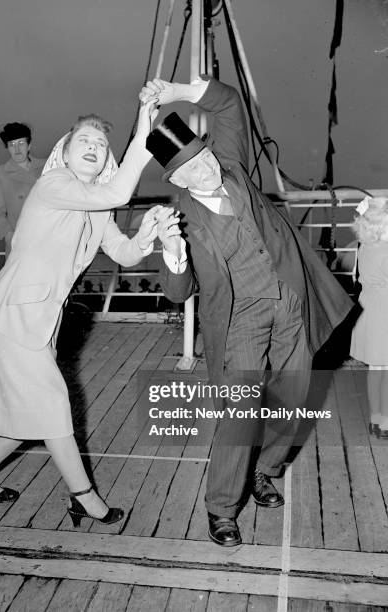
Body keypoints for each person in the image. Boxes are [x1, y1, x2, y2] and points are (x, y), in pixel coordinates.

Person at [141, 76, 353, 546]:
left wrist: (174, 91)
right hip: (240, 322)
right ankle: (221, 508)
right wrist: (173, 255)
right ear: (177, 181)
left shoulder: (232, 166)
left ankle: (264, 471)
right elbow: (179, 293)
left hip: (288, 301)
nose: (205, 168)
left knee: (295, 395)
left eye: (204, 155)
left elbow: (230, 104)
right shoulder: (182, 221)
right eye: (191, 169)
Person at [0, 98, 160, 528]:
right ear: (65, 152)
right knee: (52, 403)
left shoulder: (95, 203)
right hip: (15, 313)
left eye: (100, 143)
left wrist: (146, 234)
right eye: (84, 140)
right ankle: (83, 497)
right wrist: (145, 126)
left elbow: (125, 254)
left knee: (27, 414)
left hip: (41, 317)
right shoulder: (54, 182)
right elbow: (118, 190)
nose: (93, 146)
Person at [350, 196, 388, 439]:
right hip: (384, 312)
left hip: (369, 311)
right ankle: (385, 423)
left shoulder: (365, 247)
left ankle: (376, 419)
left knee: (377, 369)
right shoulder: (386, 251)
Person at [0, 122, 46, 256]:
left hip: (47, 239)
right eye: (12, 145)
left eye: (21, 143)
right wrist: (9, 235)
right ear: (7, 148)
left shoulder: (46, 167)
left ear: (29, 145)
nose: (17, 149)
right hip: (19, 243)